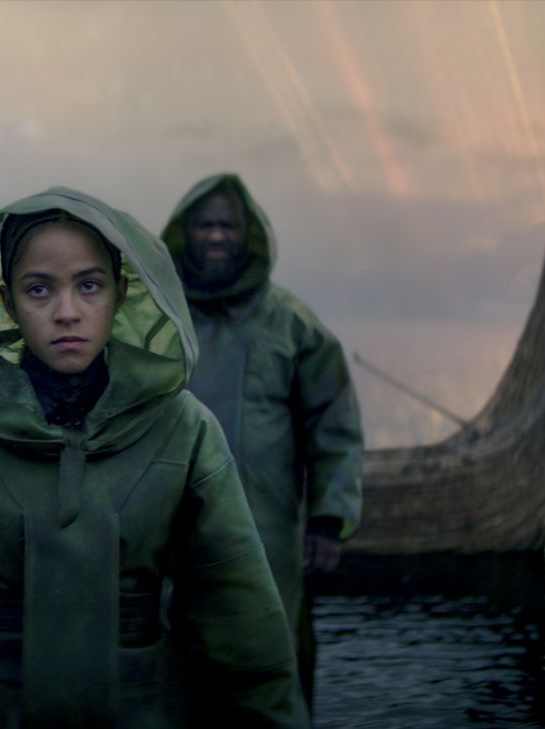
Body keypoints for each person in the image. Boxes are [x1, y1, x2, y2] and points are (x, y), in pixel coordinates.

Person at [0, 187, 309, 728]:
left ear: (121, 293)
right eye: (39, 289)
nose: (67, 312)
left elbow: (243, 637)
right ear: (7, 303)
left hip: (144, 709)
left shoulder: (185, 432)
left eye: (89, 285)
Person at [160, 173, 364, 705]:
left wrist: (326, 520)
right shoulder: (158, 322)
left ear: (248, 234)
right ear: (185, 234)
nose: (217, 236)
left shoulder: (292, 324)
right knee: (174, 660)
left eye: (229, 225)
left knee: (275, 660)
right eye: (205, 225)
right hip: (170, 529)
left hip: (269, 531)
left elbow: (334, 423)